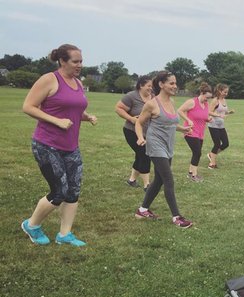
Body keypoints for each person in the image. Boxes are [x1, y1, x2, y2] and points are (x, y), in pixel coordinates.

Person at [20, 44, 97, 247]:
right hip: (47, 144)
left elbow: (73, 108)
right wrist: (57, 121)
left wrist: (86, 117)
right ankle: (32, 225)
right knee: (59, 191)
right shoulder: (49, 79)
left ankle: (65, 234)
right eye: (75, 61)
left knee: (73, 190)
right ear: (62, 61)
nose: (80, 65)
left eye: (81, 61)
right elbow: (28, 106)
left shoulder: (78, 83)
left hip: (71, 146)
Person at [133, 71, 193, 228]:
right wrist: (140, 137)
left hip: (168, 146)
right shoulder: (152, 104)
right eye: (171, 83)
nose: (175, 86)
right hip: (155, 145)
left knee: (159, 180)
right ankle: (177, 217)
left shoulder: (172, 102)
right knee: (168, 179)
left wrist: (183, 129)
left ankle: (142, 209)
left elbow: (171, 123)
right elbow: (139, 123)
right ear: (161, 84)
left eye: (175, 83)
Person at [115, 75, 153, 190]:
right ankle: (147, 185)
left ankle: (131, 180)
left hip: (147, 132)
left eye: (151, 86)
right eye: (148, 86)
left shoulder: (153, 97)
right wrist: (131, 119)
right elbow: (118, 108)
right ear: (141, 85)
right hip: (131, 131)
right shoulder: (131, 96)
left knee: (140, 155)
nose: (151, 88)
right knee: (145, 155)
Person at [178, 82, 218, 182]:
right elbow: (180, 110)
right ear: (201, 93)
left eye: (208, 98)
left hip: (200, 133)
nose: (207, 100)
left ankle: (190, 172)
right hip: (190, 131)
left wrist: (208, 119)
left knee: (196, 153)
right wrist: (188, 119)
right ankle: (194, 176)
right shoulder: (192, 102)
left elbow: (204, 116)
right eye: (206, 97)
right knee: (197, 153)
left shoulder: (206, 104)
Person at [206, 83, 235, 169]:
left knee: (226, 143)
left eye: (227, 92)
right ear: (219, 91)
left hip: (221, 125)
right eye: (225, 92)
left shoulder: (224, 100)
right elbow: (209, 112)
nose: (226, 94)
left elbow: (223, 111)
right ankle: (212, 164)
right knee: (217, 144)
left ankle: (211, 155)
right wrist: (219, 116)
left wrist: (229, 112)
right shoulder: (215, 100)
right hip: (213, 125)